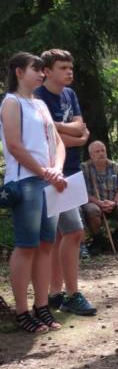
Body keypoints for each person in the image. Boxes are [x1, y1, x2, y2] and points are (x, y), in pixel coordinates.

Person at [1, 52, 67, 332]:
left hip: (49, 182)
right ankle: (22, 311)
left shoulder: (40, 104)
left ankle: (42, 307)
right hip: (26, 182)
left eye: (42, 70)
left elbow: (58, 142)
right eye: (35, 69)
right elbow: (15, 146)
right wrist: (44, 172)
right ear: (18, 72)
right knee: (26, 246)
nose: (41, 74)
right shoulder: (11, 102)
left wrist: (57, 169)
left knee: (45, 246)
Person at [34, 49, 96, 316]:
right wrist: (76, 135)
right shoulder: (38, 98)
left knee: (62, 236)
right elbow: (51, 137)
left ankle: (55, 293)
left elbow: (80, 126)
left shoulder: (70, 94)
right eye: (62, 67)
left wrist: (67, 130)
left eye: (70, 67)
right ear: (46, 71)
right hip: (52, 173)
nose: (69, 72)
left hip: (72, 170)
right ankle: (72, 294)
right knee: (74, 232)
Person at [81, 141, 118, 254]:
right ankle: (98, 240)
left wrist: (114, 202)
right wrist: (99, 203)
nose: (101, 153)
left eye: (103, 150)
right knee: (92, 210)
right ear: (91, 154)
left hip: (113, 203)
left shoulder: (115, 166)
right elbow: (81, 191)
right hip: (94, 203)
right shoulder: (84, 168)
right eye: (97, 151)